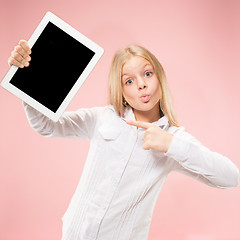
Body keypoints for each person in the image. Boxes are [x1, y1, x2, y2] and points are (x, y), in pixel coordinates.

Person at [8, 40, 239, 240]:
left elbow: (230, 177)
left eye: (148, 74)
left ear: (160, 77)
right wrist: (25, 76)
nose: (141, 84)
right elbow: (46, 126)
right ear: (121, 89)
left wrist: (170, 145)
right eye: (129, 81)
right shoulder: (102, 118)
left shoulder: (174, 139)